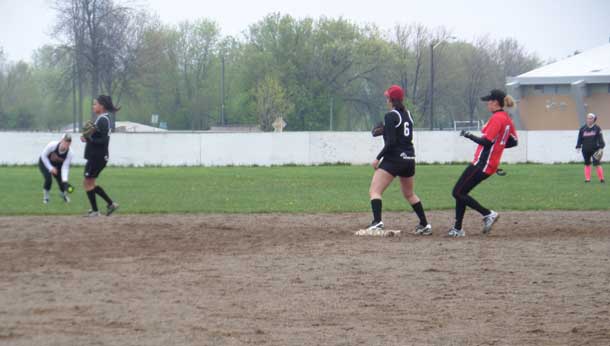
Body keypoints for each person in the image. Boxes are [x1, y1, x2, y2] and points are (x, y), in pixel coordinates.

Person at [449, 89, 518, 237]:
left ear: (495, 102)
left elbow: (486, 142)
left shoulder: (497, 118)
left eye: (489, 101)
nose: (487, 103)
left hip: (483, 163)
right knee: (462, 192)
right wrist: (497, 148)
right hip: (489, 163)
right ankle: (457, 228)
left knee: (457, 192)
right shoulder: (506, 118)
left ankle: (488, 214)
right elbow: (513, 141)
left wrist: (468, 135)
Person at [366, 85, 432, 235]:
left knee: (375, 191)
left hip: (394, 159)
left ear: (391, 99)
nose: (386, 100)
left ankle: (377, 222)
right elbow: (401, 133)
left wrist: (377, 158)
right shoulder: (408, 115)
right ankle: (424, 224)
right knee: (409, 194)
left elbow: (391, 143)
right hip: (409, 158)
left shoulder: (391, 115)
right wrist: (386, 130)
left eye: (387, 97)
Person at [81, 95, 120, 217]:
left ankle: (96, 211)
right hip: (97, 156)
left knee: (87, 183)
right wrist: (88, 138)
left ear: (101, 106)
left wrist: (89, 138)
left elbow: (103, 141)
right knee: (90, 183)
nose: (93, 106)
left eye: (95, 104)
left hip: (97, 156)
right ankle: (110, 204)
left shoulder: (103, 120)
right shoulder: (103, 118)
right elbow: (98, 137)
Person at [39, 133, 74, 204]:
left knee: (62, 183)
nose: (66, 143)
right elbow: (43, 156)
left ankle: (63, 195)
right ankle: (46, 198)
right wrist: (51, 168)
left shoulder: (70, 153)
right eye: (65, 141)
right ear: (61, 140)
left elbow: (65, 167)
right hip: (44, 162)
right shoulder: (52, 145)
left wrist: (65, 181)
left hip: (58, 166)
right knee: (48, 179)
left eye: (68, 142)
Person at [576, 113, 605, 183]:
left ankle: (601, 179)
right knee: (587, 163)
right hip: (585, 149)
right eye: (588, 118)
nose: (589, 120)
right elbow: (579, 138)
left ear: (594, 119)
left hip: (596, 149)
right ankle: (587, 179)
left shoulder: (597, 128)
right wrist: (578, 146)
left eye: (591, 118)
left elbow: (600, 138)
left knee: (597, 163)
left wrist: (601, 146)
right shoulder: (582, 129)